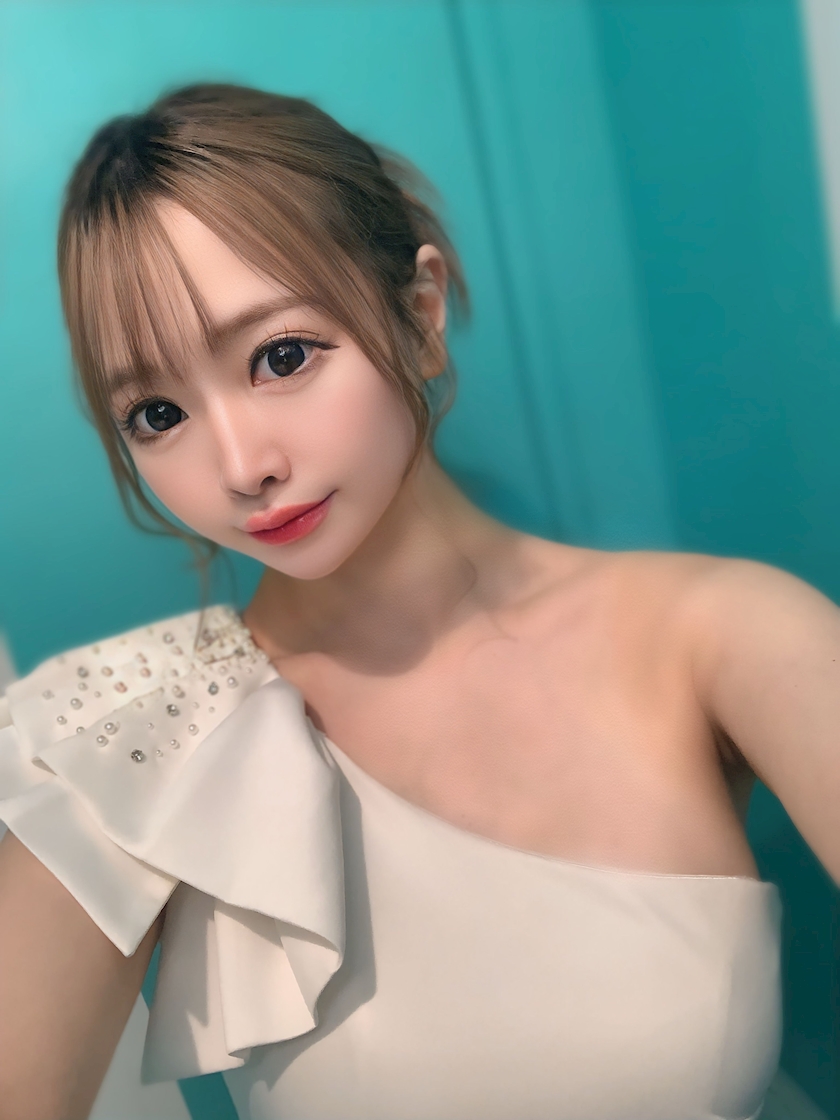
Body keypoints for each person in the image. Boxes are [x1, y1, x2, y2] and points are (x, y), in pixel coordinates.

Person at [0, 82, 837, 1120]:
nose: (242, 466)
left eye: (281, 357)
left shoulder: (718, 635)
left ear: (421, 313)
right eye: (158, 414)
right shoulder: (135, 733)